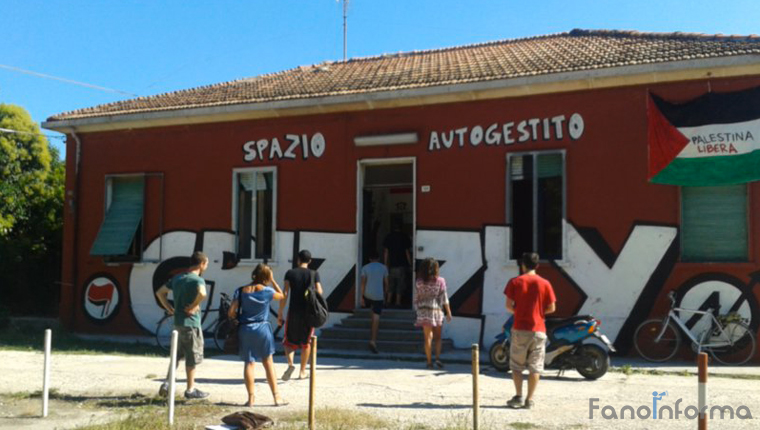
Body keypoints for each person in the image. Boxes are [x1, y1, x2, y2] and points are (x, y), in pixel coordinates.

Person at [227, 264, 287, 407]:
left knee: (249, 363)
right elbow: (282, 296)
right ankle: (276, 397)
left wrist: (237, 316)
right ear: (266, 277)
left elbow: (231, 311)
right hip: (262, 328)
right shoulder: (267, 291)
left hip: (245, 328)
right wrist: (273, 281)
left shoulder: (241, 290)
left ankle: (251, 398)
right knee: (268, 362)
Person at [504, 252, 557, 410]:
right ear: (537, 265)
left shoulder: (515, 282)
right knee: (535, 366)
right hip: (539, 329)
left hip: (520, 328)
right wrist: (539, 313)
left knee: (516, 365)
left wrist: (519, 312)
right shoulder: (545, 283)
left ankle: (518, 396)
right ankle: (530, 400)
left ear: (523, 265)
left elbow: (508, 306)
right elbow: (552, 308)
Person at [155, 251, 210, 399]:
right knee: (192, 357)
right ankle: (190, 389)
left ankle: (167, 383)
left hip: (177, 322)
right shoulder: (197, 280)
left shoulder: (178, 278)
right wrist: (193, 305)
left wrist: (168, 308)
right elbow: (203, 294)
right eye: (206, 264)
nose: (206, 267)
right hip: (191, 324)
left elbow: (160, 292)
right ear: (201, 264)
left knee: (176, 356)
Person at [277, 249, 323, 380]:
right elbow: (320, 291)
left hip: (293, 312)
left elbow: (285, 294)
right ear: (310, 261)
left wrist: (280, 312)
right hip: (308, 313)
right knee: (306, 342)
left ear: (298, 259)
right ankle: (302, 371)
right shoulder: (314, 274)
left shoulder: (290, 273)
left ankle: (291, 365)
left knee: (289, 341)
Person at [414, 257, 452, 369]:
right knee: (438, 337)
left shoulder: (419, 281)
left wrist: (418, 308)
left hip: (423, 310)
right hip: (436, 310)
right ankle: (438, 359)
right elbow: (444, 298)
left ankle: (429, 362)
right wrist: (448, 312)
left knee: (427, 337)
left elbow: (418, 297)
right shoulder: (440, 281)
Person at [360, 249, 389, 354]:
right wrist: (386, 296)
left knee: (372, 314)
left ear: (369, 259)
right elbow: (386, 283)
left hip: (368, 294)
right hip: (379, 295)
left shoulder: (365, 268)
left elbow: (363, 282)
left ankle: (372, 334)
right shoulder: (383, 268)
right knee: (376, 317)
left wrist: (361, 297)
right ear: (379, 258)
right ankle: (373, 340)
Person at [382, 219, 412, 307]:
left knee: (390, 283)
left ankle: (388, 301)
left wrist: (385, 263)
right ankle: (398, 302)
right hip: (402, 265)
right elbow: (407, 252)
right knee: (400, 284)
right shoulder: (404, 237)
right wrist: (410, 264)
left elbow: (386, 252)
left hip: (391, 265)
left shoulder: (388, 237)